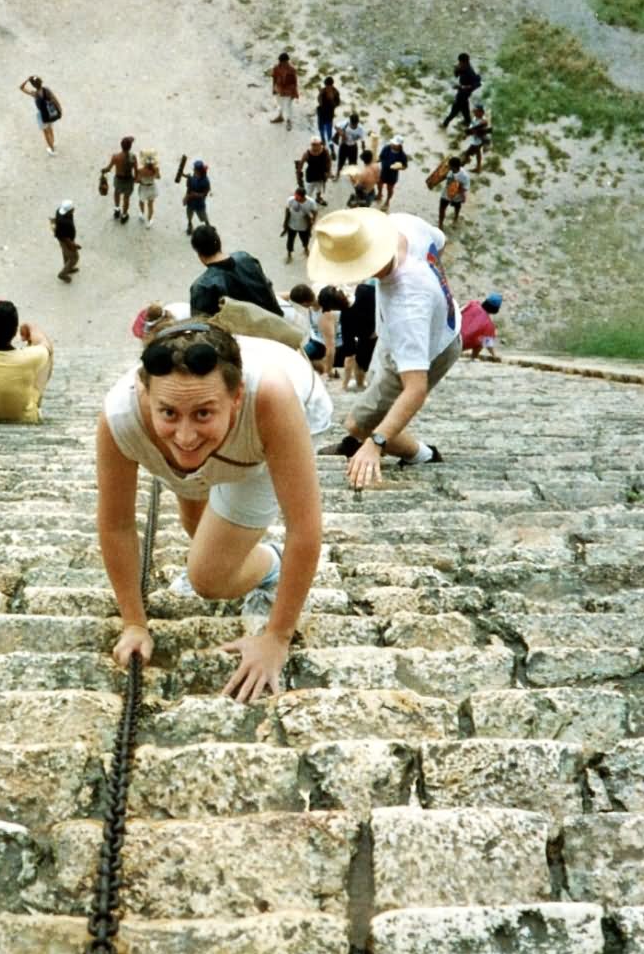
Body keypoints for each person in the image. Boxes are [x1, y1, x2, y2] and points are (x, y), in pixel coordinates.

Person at [96, 322, 331, 702]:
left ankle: (269, 563)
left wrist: (276, 637)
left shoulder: (270, 399)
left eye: (203, 414)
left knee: (207, 578)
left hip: (271, 425)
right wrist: (134, 624)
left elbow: (304, 526)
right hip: (220, 429)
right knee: (195, 522)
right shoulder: (121, 417)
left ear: (237, 397)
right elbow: (117, 523)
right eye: (168, 413)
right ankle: (219, 514)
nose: (185, 435)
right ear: (144, 393)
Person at [308, 208, 460, 486]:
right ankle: (361, 441)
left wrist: (376, 443)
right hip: (443, 327)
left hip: (428, 345)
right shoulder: (402, 223)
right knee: (360, 423)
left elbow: (416, 388)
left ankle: (423, 455)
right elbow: (440, 241)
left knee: (360, 426)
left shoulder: (407, 304)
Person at [189, 224, 282, 317]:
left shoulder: (202, 287)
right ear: (219, 243)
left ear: (199, 253)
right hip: (276, 321)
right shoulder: (245, 258)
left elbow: (200, 325)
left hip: (246, 330)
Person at [318, 282, 378, 391]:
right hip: (388, 335)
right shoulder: (364, 290)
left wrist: (344, 385)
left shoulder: (346, 319)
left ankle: (360, 386)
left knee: (359, 365)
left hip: (368, 344)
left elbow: (349, 352)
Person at [20, 75, 61, 154]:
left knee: (45, 132)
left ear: (33, 85)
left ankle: (52, 149)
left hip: (42, 116)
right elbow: (55, 99)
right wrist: (59, 108)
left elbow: (21, 88)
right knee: (51, 129)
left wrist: (27, 80)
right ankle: (53, 143)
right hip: (50, 112)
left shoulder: (35, 94)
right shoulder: (47, 90)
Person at [103, 136, 139, 223]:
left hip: (118, 180)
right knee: (126, 198)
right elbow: (136, 170)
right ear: (130, 147)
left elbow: (109, 168)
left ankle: (117, 210)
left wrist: (104, 171)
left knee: (116, 193)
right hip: (128, 180)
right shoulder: (133, 157)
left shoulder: (115, 157)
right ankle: (124, 215)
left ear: (121, 146)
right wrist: (135, 179)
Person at [442, 53, 482, 129]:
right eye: (459, 62)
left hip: (464, 94)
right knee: (464, 108)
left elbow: (478, 84)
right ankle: (468, 122)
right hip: (462, 93)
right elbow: (456, 75)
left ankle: (445, 124)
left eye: (460, 62)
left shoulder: (470, 72)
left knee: (454, 110)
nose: (459, 63)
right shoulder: (463, 67)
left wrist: (462, 87)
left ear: (465, 62)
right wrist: (456, 70)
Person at [459, 292, 501, 360]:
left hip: (453, 336)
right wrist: (494, 356)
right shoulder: (489, 325)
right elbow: (488, 344)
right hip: (461, 345)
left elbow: (459, 311)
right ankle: (473, 358)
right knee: (481, 340)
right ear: (496, 310)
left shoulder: (472, 304)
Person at [282, 187, 319, 263]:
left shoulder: (310, 202)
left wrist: (313, 221)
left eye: (297, 197)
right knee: (290, 241)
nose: (295, 198)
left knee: (305, 239)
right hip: (291, 225)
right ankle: (289, 254)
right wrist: (285, 223)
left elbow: (315, 211)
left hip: (304, 226)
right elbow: (287, 209)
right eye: (295, 195)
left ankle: (305, 249)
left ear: (303, 197)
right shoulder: (291, 200)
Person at [296, 136, 332, 205]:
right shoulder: (307, 154)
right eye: (313, 145)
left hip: (321, 175)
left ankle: (318, 198)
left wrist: (329, 171)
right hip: (311, 176)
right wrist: (298, 176)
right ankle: (306, 204)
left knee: (319, 188)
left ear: (320, 144)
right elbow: (300, 165)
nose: (315, 146)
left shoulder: (325, 151)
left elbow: (329, 161)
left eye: (316, 144)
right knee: (308, 192)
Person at [438, 157, 471, 230]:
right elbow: (443, 176)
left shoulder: (464, 176)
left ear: (454, 167)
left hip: (457, 195)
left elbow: (465, 188)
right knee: (442, 208)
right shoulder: (449, 171)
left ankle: (455, 218)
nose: (448, 166)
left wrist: (461, 195)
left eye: (450, 165)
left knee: (457, 207)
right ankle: (440, 224)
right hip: (446, 193)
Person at [51, 200, 80, 283]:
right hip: (66, 240)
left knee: (65, 252)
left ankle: (68, 268)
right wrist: (73, 245)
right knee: (74, 258)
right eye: (72, 209)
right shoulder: (65, 222)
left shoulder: (59, 211)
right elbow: (65, 238)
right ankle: (63, 274)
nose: (74, 209)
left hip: (62, 238)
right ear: (69, 211)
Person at [378, 138, 409, 211]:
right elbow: (381, 157)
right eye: (392, 143)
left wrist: (399, 167)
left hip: (392, 175)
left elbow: (405, 166)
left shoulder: (402, 155)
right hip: (383, 171)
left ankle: (387, 201)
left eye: (394, 144)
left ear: (399, 146)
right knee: (379, 183)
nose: (392, 144)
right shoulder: (386, 148)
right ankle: (379, 194)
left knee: (390, 188)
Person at [270, 52, 300, 129]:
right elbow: (274, 78)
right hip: (279, 89)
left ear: (287, 61)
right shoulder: (276, 68)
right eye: (280, 62)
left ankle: (289, 121)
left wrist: (294, 94)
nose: (281, 64)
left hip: (288, 92)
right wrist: (273, 88)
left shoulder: (292, 70)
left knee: (288, 106)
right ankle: (280, 117)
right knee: (280, 104)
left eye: (283, 62)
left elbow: (294, 83)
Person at [183, 159, 212, 234]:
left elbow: (205, 194)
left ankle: (208, 228)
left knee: (203, 217)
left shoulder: (205, 181)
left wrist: (196, 194)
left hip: (199, 204)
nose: (194, 170)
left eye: (195, 169)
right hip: (190, 202)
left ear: (199, 170)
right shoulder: (195, 176)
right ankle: (190, 226)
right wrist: (185, 176)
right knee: (189, 215)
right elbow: (190, 182)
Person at [136, 149, 162, 228]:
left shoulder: (140, 170)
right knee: (150, 205)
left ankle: (142, 213)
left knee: (141, 201)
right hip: (152, 187)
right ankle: (150, 220)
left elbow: (137, 180)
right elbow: (158, 177)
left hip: (144, 188)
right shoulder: (156, 169)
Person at [461, 105, 493, 172]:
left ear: (481, 112)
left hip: (480, 140)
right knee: (477, 152)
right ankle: (478, 167)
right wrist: (468, 133)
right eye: (474, 111)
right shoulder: (475, 118)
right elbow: (471, 128)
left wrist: (472, 130)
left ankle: (465, 161)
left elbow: (484, 124)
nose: (474, 112)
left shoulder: (483, 120)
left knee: (468, 153)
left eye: (476, 111)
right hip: (477, 139)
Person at [335, 114, 366, 180]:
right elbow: (336, 126)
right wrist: (341, 133)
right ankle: (337, 174)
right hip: (344, 145)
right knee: (341, 161)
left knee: (353, 164)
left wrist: (364, 152)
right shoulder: (346, 123)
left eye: (355, 124)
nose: (354, 126)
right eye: (352, 124)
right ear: (350, 121)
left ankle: (352, 177)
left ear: (358, 122)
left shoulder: (360, 129)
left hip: (353, 147)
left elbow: (363, 141)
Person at [316, 77, 342, 155]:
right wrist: (320, 94)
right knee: (321, 132)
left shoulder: (335, 92)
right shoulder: (323, 91)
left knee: (329, 134)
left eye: (329, 86)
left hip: (329, 116)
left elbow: (337, 104)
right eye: (326, 85)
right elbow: (320, 102)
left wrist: (331, 99)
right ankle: (323, 146)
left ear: (331, 85)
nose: (327, 87)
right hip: (321, 115)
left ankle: (332, 151)